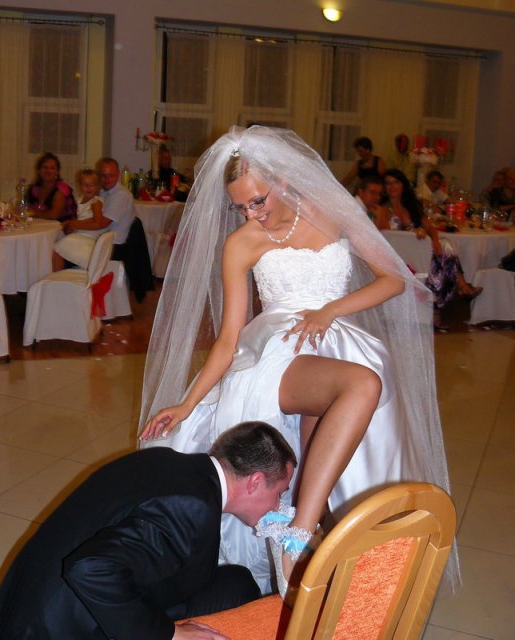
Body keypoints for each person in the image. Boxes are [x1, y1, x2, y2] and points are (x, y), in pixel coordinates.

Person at [138, 126, 459, 598]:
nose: (253, 214)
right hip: (277, 349)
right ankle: (298, 535)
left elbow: (393, 279)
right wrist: (187, 404)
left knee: (323, 468)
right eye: (241, 207)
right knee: (362, 386)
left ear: (284, 180)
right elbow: (228, 338)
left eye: (258, 201)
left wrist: (331, 311)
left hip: (335, 336)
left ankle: (334, 575)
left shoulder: (336, 214)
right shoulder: (242, 243)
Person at [0, 421, 296, 640]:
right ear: (255, 482)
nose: (278, 504)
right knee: (237, 594)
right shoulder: (192, 507)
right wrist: (169, 634)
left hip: (34, 596)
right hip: (64, 626)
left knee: (237, 583)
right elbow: (90, 569)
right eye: (279, 493)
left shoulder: (169, 461)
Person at [376, 169, 482, 331]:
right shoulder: (383, 208)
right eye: (388, 183)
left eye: (396, 182)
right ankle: (459, 289)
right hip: (398, 253)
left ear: (403, 185)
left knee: (444, 248)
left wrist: (434, 240)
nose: (392, 186)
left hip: (418, 251)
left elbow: (431, 228)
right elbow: (385, 234)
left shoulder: (413, 206)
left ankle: (446, 299)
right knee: (443, 255)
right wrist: (412, 233)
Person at [52, 169, 111, 271]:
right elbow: (78, 219)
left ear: (97, 186)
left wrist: (74, 224)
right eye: (85, 185)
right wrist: (70, 225)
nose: (88, 187)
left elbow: (98, 222)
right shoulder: (79, 200)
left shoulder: (96, 202)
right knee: (56, 241)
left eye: (92, 185)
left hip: (89, 237)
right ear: (80, 186)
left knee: (57, 249)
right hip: (79, 234)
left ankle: (57, 276)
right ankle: (60, 274)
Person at [96, 157, 136, 260]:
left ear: (118, 175)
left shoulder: (122, 194)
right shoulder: (102, 192)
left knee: (66, 250)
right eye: (103, 176)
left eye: (111, 175)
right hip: (103, 241)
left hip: (115, 246)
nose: (107, 179)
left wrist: (76, 224)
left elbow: (102, 223)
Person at [26, 152, 77, 222]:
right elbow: (25, 208)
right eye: (44, 167)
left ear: (57, 172)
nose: (48, 171)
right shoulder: (33, 189)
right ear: (38, 171)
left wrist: (32, 214)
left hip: (62, 226)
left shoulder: (62, 189)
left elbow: (54, 215)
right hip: (40, 224)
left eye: (52, 168)